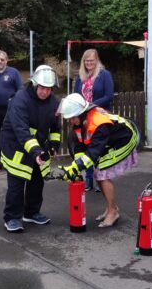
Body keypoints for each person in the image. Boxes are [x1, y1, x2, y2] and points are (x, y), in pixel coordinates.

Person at [57, 93, 139, 228]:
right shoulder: (80, 121)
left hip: (125, 140)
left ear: (81, 113)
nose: (70, 121)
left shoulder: (99, 124)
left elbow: (92, 153)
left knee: (102, 173)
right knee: (98, 172)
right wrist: (74, 166)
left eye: (72, 118)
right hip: (109, 141)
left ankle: (113, 212)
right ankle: (111, 207)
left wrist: (75, 168)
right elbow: (79, 145)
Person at [0, 65, 61, 232]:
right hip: (16, 146)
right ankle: (12, 217)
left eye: (49, 89)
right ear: (34, 84)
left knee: (37, 181)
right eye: (42, 88)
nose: (45, 92)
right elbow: (22, 131)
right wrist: (36, 151)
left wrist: (54, 144)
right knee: (17, 184)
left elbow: (56, 127)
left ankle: (32, 213)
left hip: (37, 147)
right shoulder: (20, 100)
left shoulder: (54, 102)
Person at [74, 49, 114, 192]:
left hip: (99, 116)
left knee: (99, 147)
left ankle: (100, 179)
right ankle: (89, 178)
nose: (89, 63)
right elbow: (76, 96)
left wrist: (91, 105)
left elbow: (109, 96)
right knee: (85, 147)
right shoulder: (80, 77)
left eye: (91, 60)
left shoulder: (104, 75)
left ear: (97, 61)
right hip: (84, 117)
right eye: (86, 61)